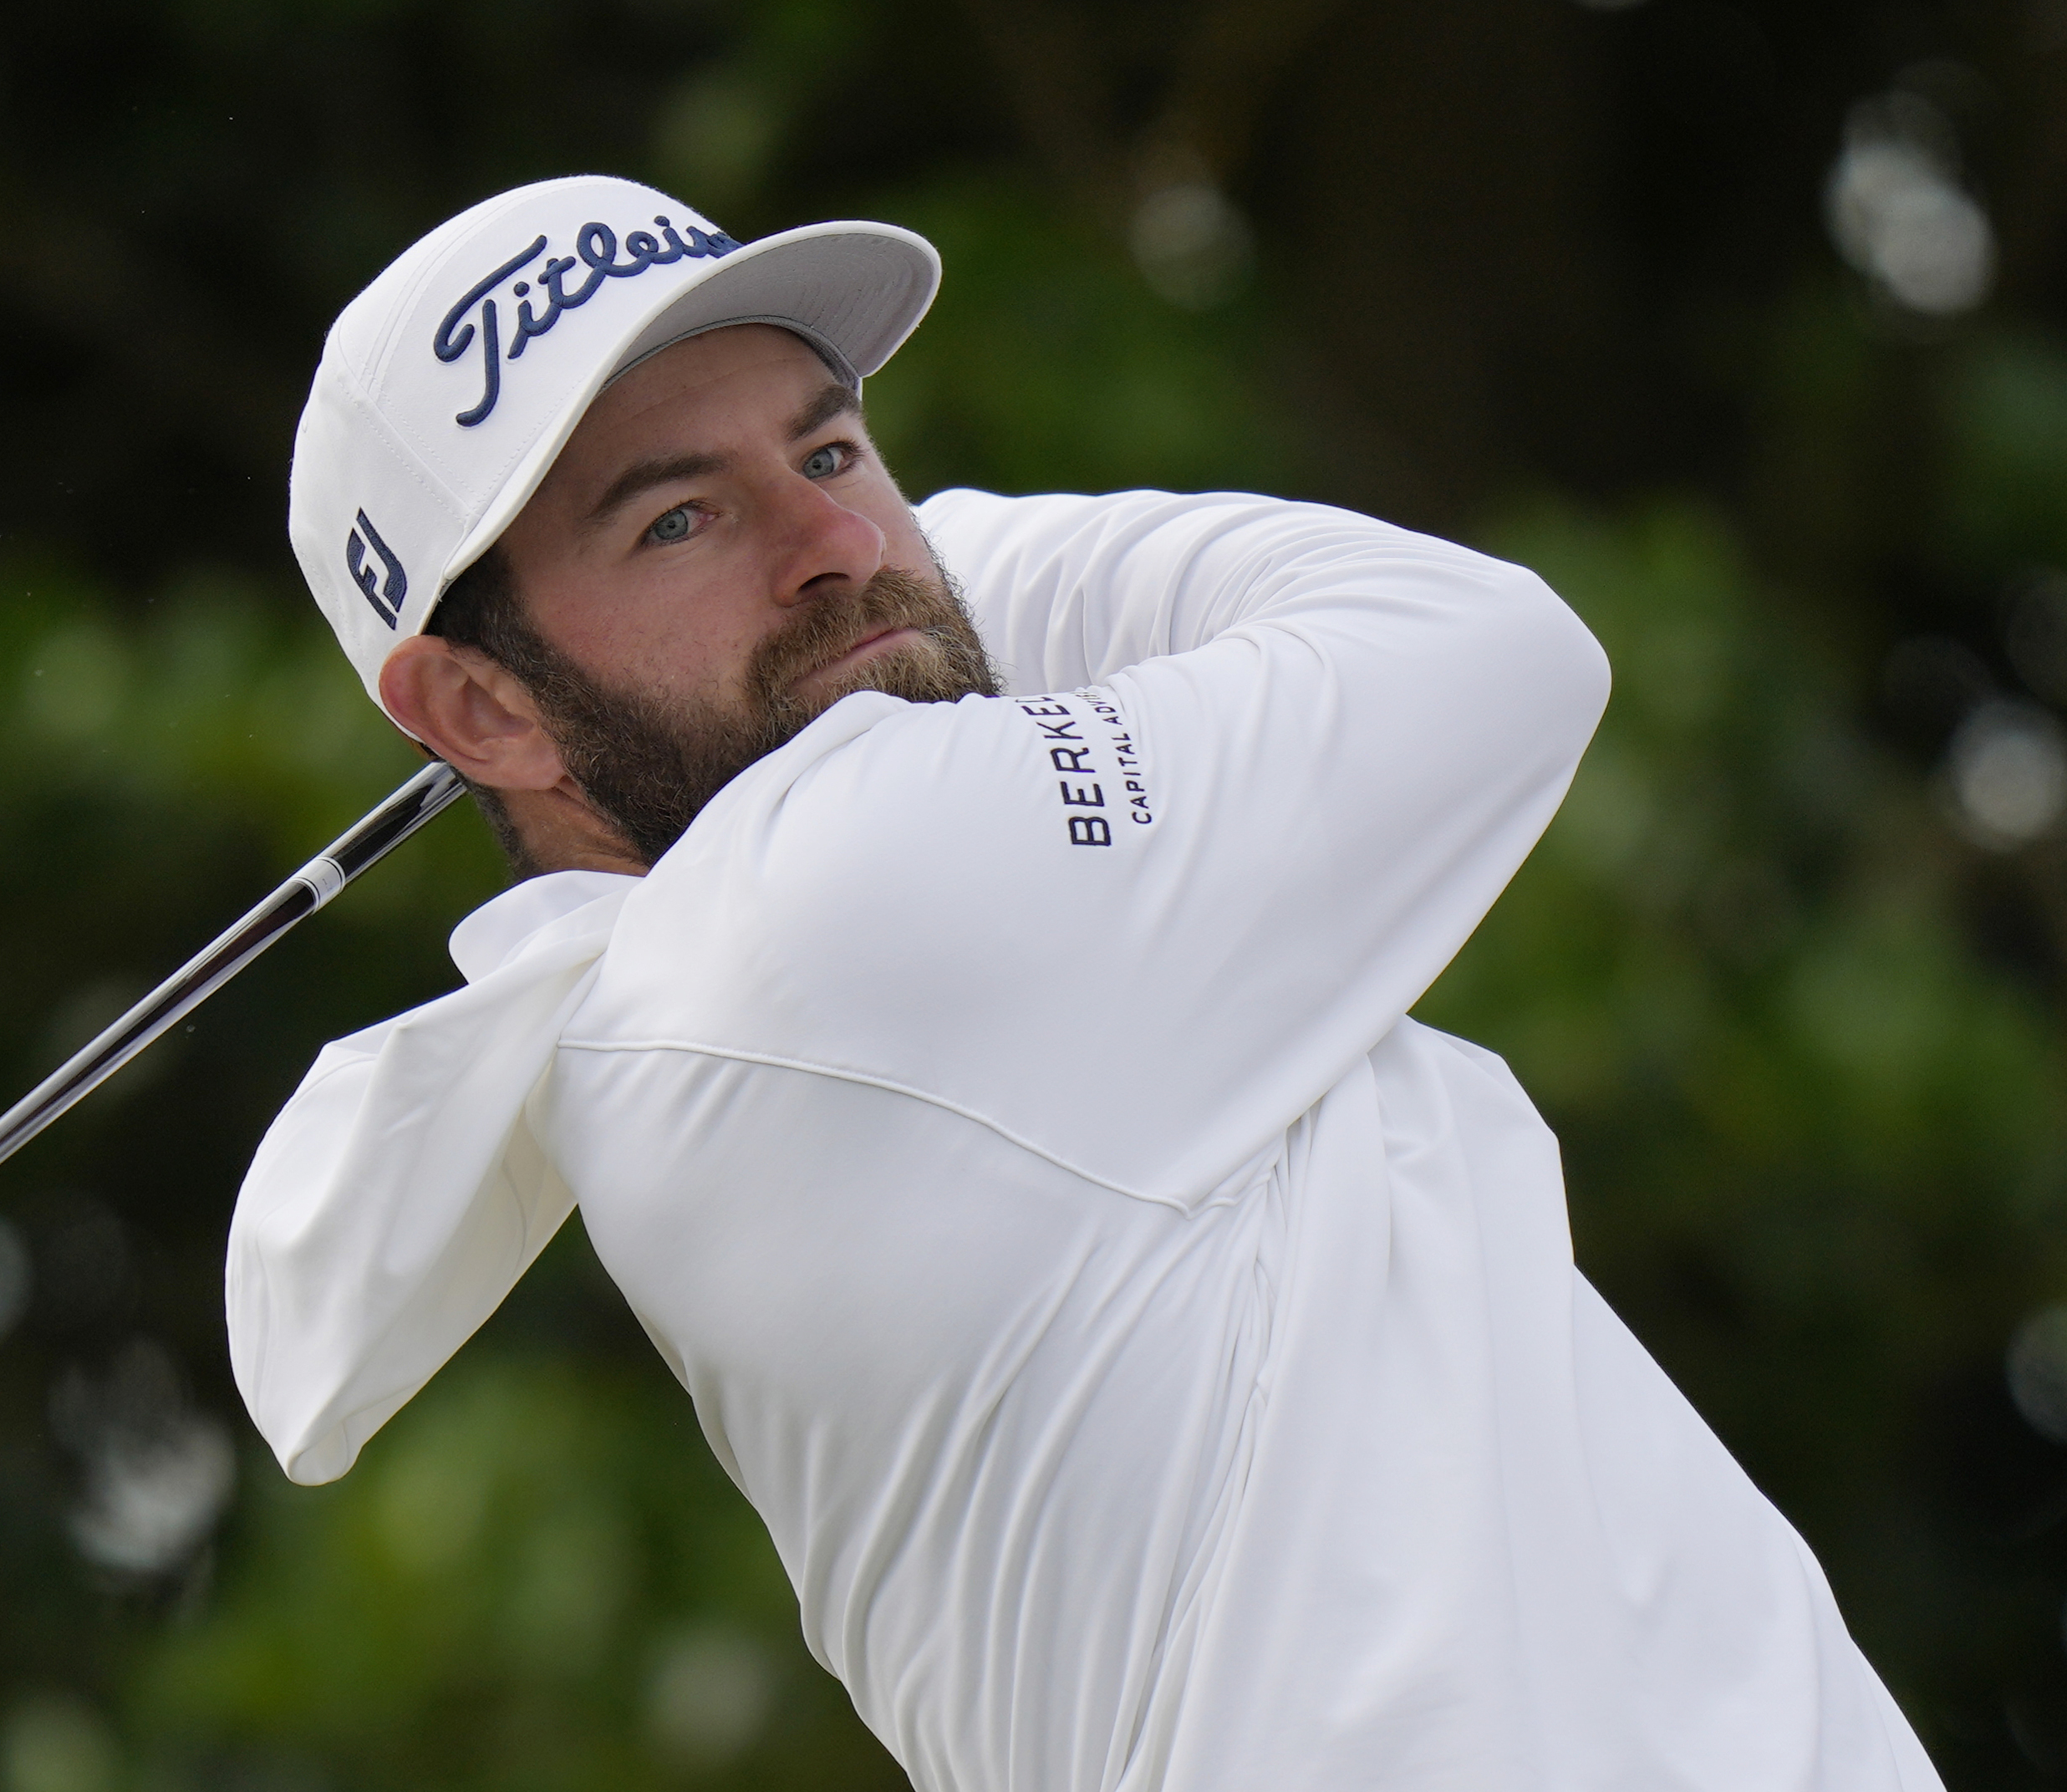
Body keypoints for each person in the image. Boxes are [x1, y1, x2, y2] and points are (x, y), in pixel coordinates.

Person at [226, 174, 1940, 1790]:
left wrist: (863, 590)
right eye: (679, 517)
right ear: (477, 714)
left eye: (833, 445)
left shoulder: (682, 1003)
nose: (829, 535)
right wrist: (921, 577)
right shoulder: (831, 905)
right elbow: (1495, 650)